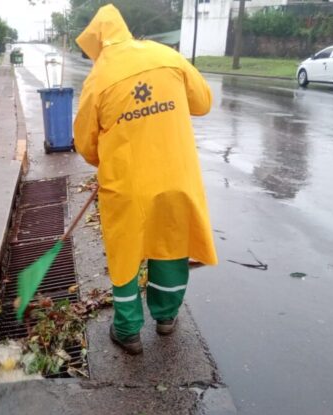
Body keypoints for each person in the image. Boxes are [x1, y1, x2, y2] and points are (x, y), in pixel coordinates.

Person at [73, 4, 218, 355]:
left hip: (128, 186)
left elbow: (86, 145)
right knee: (171, 246)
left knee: (125, 254)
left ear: (97, 43)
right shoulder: (166, 56)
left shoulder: (99, 78)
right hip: (176, 177)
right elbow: (202, 103)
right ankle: (166, 318)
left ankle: (127, 331)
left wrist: (107, 159)